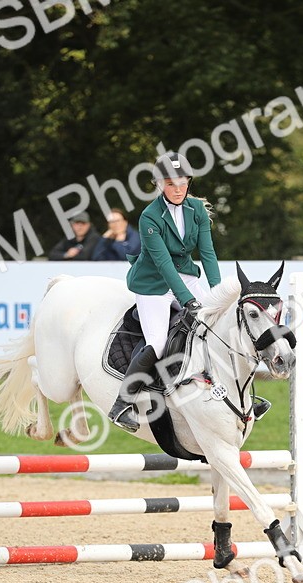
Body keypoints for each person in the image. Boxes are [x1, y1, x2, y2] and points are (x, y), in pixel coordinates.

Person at [107, 153, 221, 432]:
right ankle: (122, 404)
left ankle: (229, 394)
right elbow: (164, 265)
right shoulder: (149, 217)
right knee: (157, 342)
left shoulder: (197, 210)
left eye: (183, 182)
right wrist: (188, 301)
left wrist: (220, 297)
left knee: (218, 325)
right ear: (159, 184)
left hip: (185, 274)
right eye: (171, 183)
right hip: (153, 283)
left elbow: (207, 254)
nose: (179, 189)